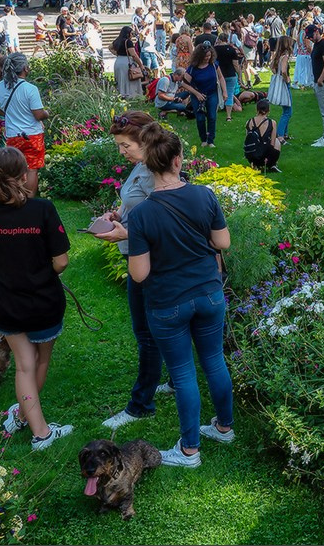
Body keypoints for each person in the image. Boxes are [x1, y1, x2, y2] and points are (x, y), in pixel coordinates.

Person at [126, 123, 233, 467]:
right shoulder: (204, 195)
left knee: (184, 373)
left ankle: (190, 450)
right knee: (214, 361)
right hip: (209, 295)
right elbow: (223, 242)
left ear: (148, 164)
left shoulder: (142, 214)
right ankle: (224, 427)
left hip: (168, 303)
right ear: (177, 160)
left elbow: (139, 274)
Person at [0, 147, 73, 451]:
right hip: (43, 302)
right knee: (39, 361)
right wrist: (45, 272)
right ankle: (40, 432)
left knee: (24, 365)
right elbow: (61, 261)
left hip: (5, 302)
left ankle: (25, 417)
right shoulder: (42, 209)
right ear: (25, 174)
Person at [89, 113, 173, 429]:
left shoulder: (157, 175)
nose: (121, 152)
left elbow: (165, 224)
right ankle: (175, 382)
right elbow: (139, 209)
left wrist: (125, 233)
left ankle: (141, 405)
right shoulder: (141, 167)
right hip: (138, 254)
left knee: (146, 332)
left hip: (147, 260)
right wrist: (119, 214)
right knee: (158, 329)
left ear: (146, 142)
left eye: (125, 145)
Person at [0, 53, 48, 197]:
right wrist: (47, 113)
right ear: (25, 68)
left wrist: (12, 113)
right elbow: (38, 115)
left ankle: (14, 197)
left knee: (14, 169)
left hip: (12, 135)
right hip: (32, 135)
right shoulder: (30, 88)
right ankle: (28, 200)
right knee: (32, 169)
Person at [185, 43, 227, 148]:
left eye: (209, 56)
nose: (207, 58)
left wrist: (224, 91)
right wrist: (196, 94)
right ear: (199, 56)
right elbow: (184, 83)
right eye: (205, 56)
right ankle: (203, 139)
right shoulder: (192, 68)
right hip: (198, 95)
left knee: (212, 117)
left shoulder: (213, 65)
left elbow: (221, 77)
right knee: (200, 118)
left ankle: (210, 140)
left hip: (212, 93)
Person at [266, 37, 293, 147]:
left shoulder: (278, 56)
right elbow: (283, 71)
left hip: (279, 82)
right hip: (284, 84)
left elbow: (271, 67)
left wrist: (276, 73)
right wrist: (287, 79)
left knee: (286, 109)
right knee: (288, 111)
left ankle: (285, 133)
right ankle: (280, 135)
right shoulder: (285, 56)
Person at [242, 99, 281, 173]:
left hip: (252, 156)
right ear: (268, 110)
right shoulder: (272, 122)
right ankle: (272, 165)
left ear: (257, 110)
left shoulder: (249, 122)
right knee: (277, 141)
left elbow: (247, 140)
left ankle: (255, 165)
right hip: (265, 158)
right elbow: (272, 143)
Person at [213, 33, 243, 123]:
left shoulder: (214, 49)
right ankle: (228, 116)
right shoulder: (231, 49)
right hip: (230, 74)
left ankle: (214, 114)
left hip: (218, 74)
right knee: (229, 94)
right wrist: (239, 75)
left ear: (219, 39)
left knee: (216, 94)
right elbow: (235, 64)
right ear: (227, 39)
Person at [111, 26, 143, 100]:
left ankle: (121, 94)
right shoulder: (128, 42)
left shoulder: (117, 40)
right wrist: (141, 65)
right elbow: (133, 54)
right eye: (131, 33)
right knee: (129, 78)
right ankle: (130, 95)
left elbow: (110, 47)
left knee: (121, 79)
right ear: (128, 34)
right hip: (126, 62)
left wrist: (117, 54)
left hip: (118, 61)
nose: (132, 35)